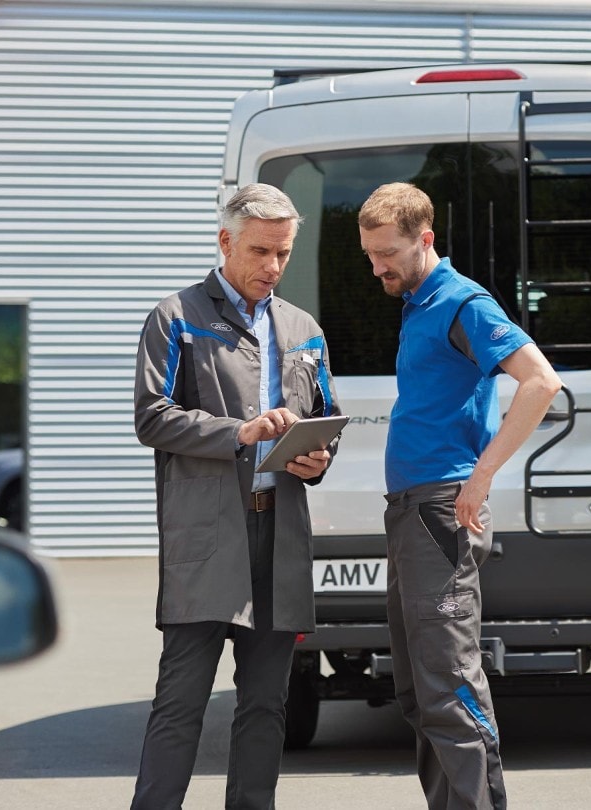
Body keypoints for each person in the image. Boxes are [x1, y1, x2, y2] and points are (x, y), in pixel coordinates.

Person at [131, 183, 339, 810]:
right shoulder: (177, 317)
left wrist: (317, 460)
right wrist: (239, 432)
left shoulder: (305, 328)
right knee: (180, 703)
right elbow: (152, 418)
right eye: (260, 252)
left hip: (280, 536)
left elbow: (326, 415)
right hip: (208, 536)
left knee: (265, 706)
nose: (273, 267)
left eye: (283, 253)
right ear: (225, 242)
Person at [358, 182, 563, 810]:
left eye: (387, 253)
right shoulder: (419, 300)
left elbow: (539, 382)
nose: (377, 268)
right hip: (411, 512)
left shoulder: (461, 300)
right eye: (369, 255)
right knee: (419, 693)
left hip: (441, 511)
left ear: (426, 240)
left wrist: (482, 475)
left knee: (448, 685)